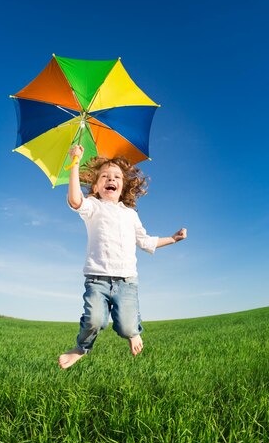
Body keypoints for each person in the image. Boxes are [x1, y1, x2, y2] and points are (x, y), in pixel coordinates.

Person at [58, 144, 187, 370]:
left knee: (127, 327)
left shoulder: (130, 214)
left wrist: (172, 239)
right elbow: (75, 200)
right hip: (97, 279)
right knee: (94, 320)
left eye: (116, 176)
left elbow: (145, 241)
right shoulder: (93, 206)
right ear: (96, 186)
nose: (111, 179)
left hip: (126, 281)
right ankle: (81, 348)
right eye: (105, 176)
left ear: (123, 185)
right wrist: (75, 162)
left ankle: (133, 332)